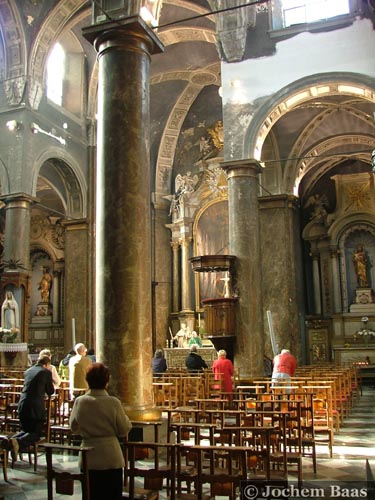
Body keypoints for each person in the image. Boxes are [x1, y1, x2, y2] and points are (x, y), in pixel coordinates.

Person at [70, 363, 132, 500]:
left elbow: (74, 427)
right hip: (111, 456)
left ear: (88, 380)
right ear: (106, 382)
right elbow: (123, 429)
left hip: (88, 457)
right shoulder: (113, 402)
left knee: (91, 494)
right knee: (112, 495)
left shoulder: (80, 401)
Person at [9, 354, 55, 463]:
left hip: (23, 404)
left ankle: (11, 441)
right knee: (36, 433)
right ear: (47, 364)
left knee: (26, 430)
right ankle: (17, 442)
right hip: (35, 407)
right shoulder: (45, 372)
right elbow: (50, 391)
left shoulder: (28, 371)